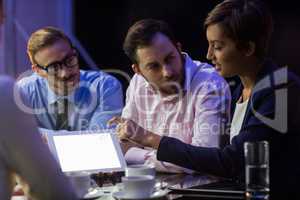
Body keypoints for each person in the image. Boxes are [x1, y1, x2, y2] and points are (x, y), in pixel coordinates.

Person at [113, 0, 300, 198]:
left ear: (247, 48)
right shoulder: (244, 90)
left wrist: (149, 139)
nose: (209, 54)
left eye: (217, 46)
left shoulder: (280, 88)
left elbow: (232, 161)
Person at [109, 19, 231, 173]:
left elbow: (203, 160)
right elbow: (125, 144)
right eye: (154, 66)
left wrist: (136, 154)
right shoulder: (137, 83)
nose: (167, 72)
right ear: (138, 71)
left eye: (169, 59)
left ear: (178, 49)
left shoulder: (210, 84)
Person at [17, 26, 123, 131]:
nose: (65, 73)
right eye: (54, 67)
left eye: (69, 60)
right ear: (38, 71)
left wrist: (39, 135)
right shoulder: (23, 92)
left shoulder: (104, 87)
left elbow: (100, 139)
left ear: (75, 54)